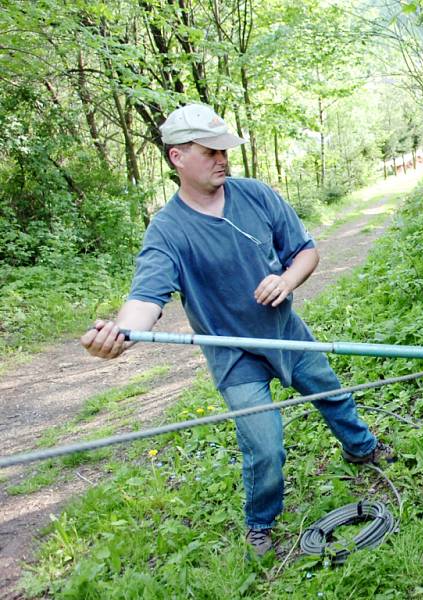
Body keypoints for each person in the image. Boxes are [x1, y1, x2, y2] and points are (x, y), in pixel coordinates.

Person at [80, 104, 393, 557]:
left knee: (331, 391)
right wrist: (121, 335)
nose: (223, 159)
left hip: (287, 332)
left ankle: (361, 449)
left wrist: (286, 280)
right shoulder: (167, 231)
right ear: (177, 157)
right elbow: (146, 299)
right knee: (264, 445)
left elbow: (306, 252)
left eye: (225, 150)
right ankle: (261, 523)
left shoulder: (257, 196)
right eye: (210, 152)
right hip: (234, 356)